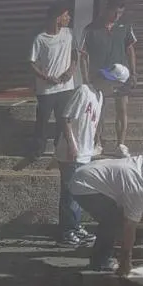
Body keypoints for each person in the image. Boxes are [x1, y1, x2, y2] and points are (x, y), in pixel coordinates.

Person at [69, 157, 143, 275]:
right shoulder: (142, 190)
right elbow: (129, 226)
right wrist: (126, 260)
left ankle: (105, 255)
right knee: (112, 221)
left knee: (117, 219)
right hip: (85, 185)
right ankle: (100, 262)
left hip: (90, 171)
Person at [81, 0, 138, 156]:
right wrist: (86, 80)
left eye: (120, 13)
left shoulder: (125, 26)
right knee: (99, 110)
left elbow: (130, 50)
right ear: (107, 9)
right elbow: (83, 56)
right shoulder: (91, 29)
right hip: (100, 76)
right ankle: (97, 142)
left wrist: (133, 72)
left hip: (121, 75)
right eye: (115, 12)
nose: (117, 16)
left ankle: (121, 144)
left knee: (122, 109)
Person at [30, 2, 79, 158]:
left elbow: (75, 55)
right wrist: (46, 77)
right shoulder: (40, 39)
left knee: (63, 120)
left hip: (66, 87)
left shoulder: (69, 33)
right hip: (46, 89)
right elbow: (31, 63)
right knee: (42, 120)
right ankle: (38, 150)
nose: (68, 18)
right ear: (58, 18)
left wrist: (70, 71)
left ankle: (59, 148)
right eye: (66, 15)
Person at [56, 82, 102, 247]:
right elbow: (65, 118)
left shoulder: (99, 96)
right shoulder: (83, 91)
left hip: (85, 153)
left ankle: (75, 226)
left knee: (78, 193)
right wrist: (71, 144)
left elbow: (93, 123)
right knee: (70, 195)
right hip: (72, 153)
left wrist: (96, 141)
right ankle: (67, 231)